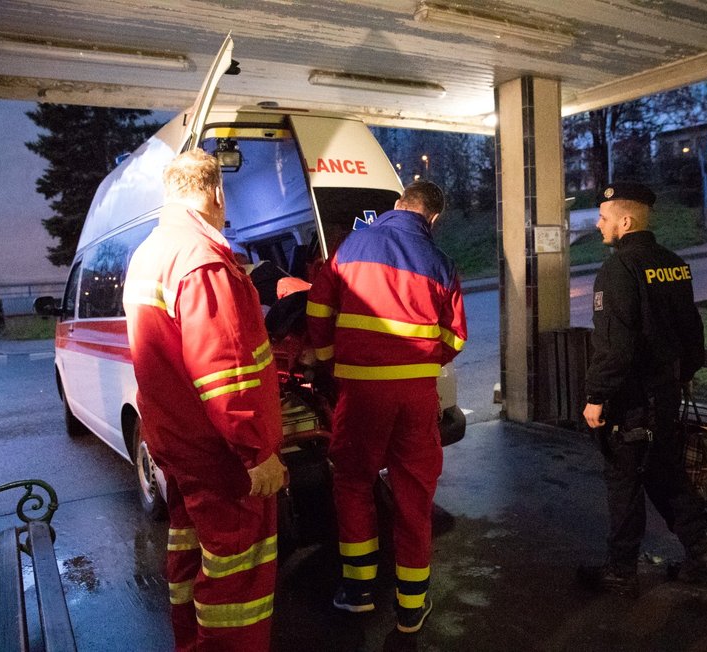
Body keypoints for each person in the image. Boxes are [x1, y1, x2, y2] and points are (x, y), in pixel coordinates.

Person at [123, 149, 286, 652]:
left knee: (192, 556)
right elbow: (226, 373)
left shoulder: (151, 253)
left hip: (180, 444)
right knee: (239, 577)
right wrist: (257, 451)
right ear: (216, 194)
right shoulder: (202, 260)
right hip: (223, 456)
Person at [306, 180, 467, 633]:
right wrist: (420, 362)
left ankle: (358, 593)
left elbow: (319, 309)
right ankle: (411, 608)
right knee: (415, 495)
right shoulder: (441, 262)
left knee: (354, 483)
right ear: (432, 218)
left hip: (359, 393)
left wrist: (327, 358)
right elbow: (455, 336)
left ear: (398, 206)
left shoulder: (352, 245)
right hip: (416, 397)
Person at [579, 181, 707, 597]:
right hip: (665, 395)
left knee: (623, 482)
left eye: (604, 218)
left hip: (631, 401)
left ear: (625, 221)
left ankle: (620, 571)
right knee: (666, 474)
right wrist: (686, 372)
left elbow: (615, 345)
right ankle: (700, 552)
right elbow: (692, 330)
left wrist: (596, 396)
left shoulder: (619, 269)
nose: (599, 225)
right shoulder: (674, 263)